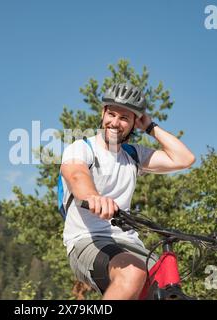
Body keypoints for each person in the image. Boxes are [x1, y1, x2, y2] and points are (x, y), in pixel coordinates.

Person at [60, 83, 196, 299]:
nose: (115, 122)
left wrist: (151, 126)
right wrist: (93, 197)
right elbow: (77, 176)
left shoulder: (133, 156)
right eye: (111, 114)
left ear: (135, 123)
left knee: (167, 288)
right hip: (88, 239)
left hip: (131, 244)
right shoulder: (82, 148)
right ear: (103, 113)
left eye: (124, 118)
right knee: (132, 272)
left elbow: (185, 159)